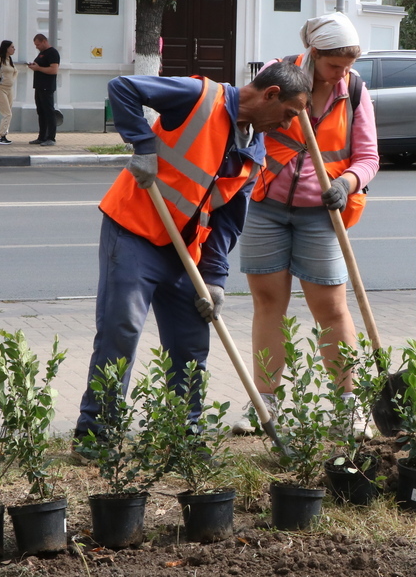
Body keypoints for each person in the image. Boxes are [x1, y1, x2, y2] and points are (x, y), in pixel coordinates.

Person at [73, 61, 312, 447]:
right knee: (122, 329)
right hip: (134, 229)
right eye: (287, 114)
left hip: (186, 250)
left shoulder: (254, 150)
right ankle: (97, 435)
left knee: (190, 344)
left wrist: (215, 280)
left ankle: (183, 437)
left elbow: (229, 218)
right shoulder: (200, 96)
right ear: (270, 95)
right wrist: (143, 146)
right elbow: (123, 87)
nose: (286, 126)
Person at [234, 12, 379, 434]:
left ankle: (347, 407)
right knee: (268, 305)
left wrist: (348, 182)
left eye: (348, 67)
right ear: (314, 54)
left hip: (323, 214)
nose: (341, 75)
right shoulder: (277, 74)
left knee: (331, 310)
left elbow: (368, 157)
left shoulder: (353, 90)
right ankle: (265, 403)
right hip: (266, 206)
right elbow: (243, 119)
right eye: (335, 66)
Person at [25, 34, 60, 146]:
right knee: (41, 112)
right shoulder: (42, 53)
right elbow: (41, 66)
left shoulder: (52, 53)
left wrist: (38, 68)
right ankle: (42, 136)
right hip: (39, 86)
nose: (37, 47)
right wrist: (35, 66)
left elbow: (54, 70)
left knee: (49, 112)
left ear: (44, 41)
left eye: (38, 44)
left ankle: (51, 138)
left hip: (47, 86)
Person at [0, 40, 18, 144]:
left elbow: (15, 71)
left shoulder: (9, 59)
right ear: (6, 48)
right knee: (7, 114)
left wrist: (12, 81)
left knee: (9, 112)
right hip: (1, 89)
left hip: (9, 89)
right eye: (12, 47)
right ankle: (0, 137)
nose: (14, 49)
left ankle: (5, 135)